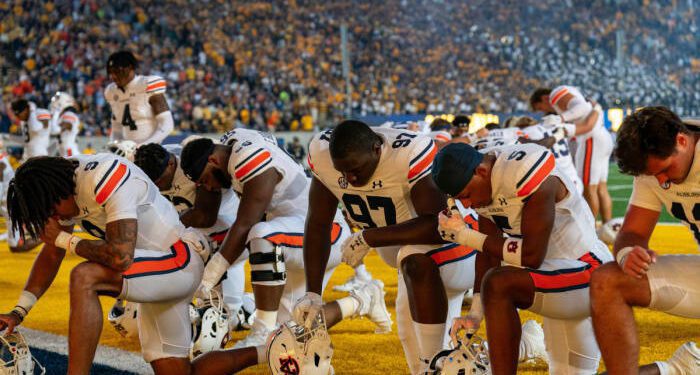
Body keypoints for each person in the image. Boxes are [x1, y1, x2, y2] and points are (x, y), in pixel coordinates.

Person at [296, 121, 542, 374]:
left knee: (429, 358)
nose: (350, 179)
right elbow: (317, 222)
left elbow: (438, 226)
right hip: (405, 253)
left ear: (377, 149)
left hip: (451, 245)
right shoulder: (323, 154)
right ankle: (525, 345)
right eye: (342, 172)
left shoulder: (408, 153)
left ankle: (436, 365)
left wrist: (370, 237)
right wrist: (313, 293)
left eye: (355, 169)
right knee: (418, 351)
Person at [0, 155, 207, 374]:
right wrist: (19, 311)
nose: (55, 217)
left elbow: (121, 257)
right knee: (177, 372)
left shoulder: (103, 176)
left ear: (57, 190)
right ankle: (250, 353)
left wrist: (65, 239)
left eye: (51, 211)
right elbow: (52, 254)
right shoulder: (61, 184)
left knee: (84, 276)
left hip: (178, 261)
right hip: (153, 273)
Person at [433, 142, 614, 374]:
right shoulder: (484, 184)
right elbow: (489, 254)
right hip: (554, 280)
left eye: (466, 195)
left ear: (482, 171)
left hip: (588, 270)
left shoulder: (522, 170)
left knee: (500, 283)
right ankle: (530, 343)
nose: (466, 205)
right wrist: (475, 314)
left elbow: (531, 255)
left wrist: (466, 236)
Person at [179, 129, 366, 348]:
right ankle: (362, 300)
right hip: (293, 238)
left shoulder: (246, 156)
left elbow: (245, 223)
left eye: (206, 180)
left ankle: (261, 329)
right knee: (290, 332)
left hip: (323, 234)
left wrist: (208, 278)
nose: (210, 187)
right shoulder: (234, 142)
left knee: (262, 233)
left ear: (213, 159)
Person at [590, 107, 700, 375]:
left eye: (664, 170)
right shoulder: (653, 166)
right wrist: (628, 252)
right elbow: (633, 232)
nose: (661, 181)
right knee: (607, 281)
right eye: (653, 175)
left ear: (682, 141)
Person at [133, 142, 249, 319]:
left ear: (172, 164)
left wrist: (164, 224)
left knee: (193, 239)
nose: (156, 186)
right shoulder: (144, 166)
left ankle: (220, 306)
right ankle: (242, 308)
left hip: (229, 231)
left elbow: (204, 217)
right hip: (207, 233)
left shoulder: (195, 166)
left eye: (158, 180)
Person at [530, 86, 614, 226]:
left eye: (541, 108)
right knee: (600, 188)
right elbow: (586, 109)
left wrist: (561, 117)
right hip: (599, 136)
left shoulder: (556, 94)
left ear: (545, 98)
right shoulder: (570, 97)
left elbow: (582, 108)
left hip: (591, 139)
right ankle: (609, 227)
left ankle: (589, 232)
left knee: (588, 188)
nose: (544, 111)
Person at [105, 51, 174, 146]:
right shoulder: (111, 91)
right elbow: (116, 127)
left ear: (130, 68)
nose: (113, 76)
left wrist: (145, 146)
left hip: (151, 150)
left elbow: (167, 124)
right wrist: (115, 144)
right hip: (127, 151)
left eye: (117, 71)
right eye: (110, 72)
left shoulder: (147, 84)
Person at [49, 91, 82, 157]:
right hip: (64, 152)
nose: (54, 104)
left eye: (56, 102)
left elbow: (55, 130)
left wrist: (56, 113)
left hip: (70, 153)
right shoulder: (63, 116)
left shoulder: (69, 114)